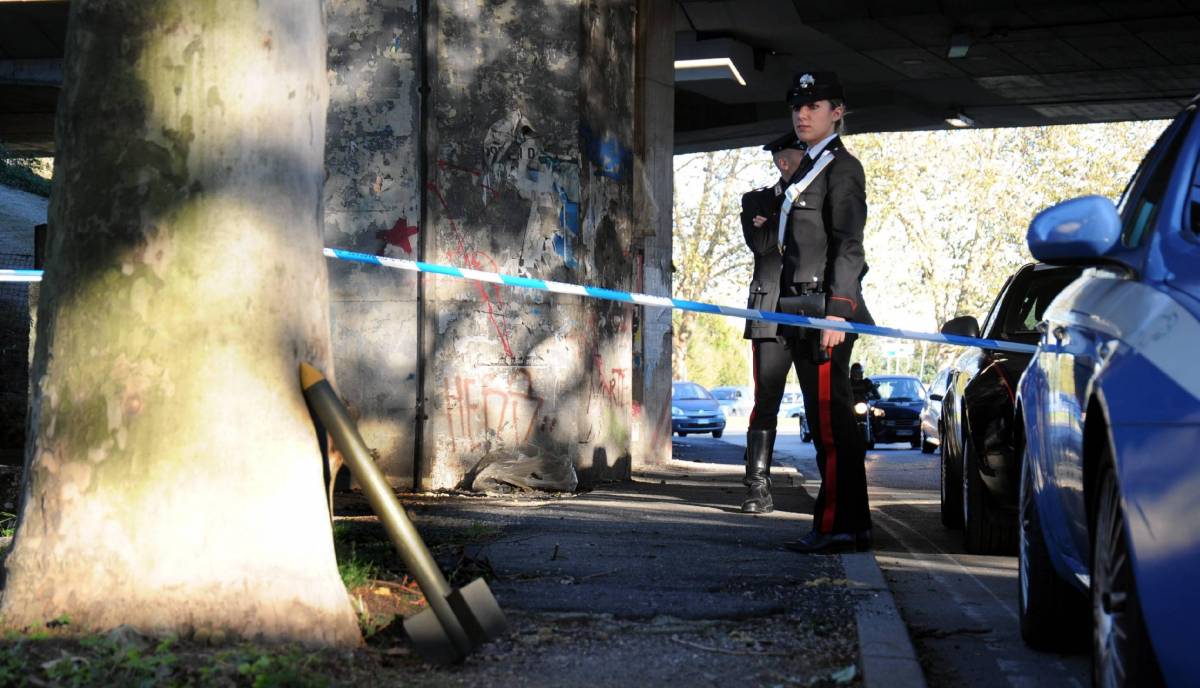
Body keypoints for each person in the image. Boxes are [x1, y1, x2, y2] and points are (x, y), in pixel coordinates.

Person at [740, 71, 874, 553]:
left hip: (821, 312)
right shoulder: (804, 169)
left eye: (814, 106)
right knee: (827, 428)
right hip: (798, 309)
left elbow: (848, 246)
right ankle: (850, 524)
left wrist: (838, 312)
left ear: (837, 112)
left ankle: (837, 526)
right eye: (797, 105)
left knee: (832, 426)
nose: (802, 113)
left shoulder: (840, 167)